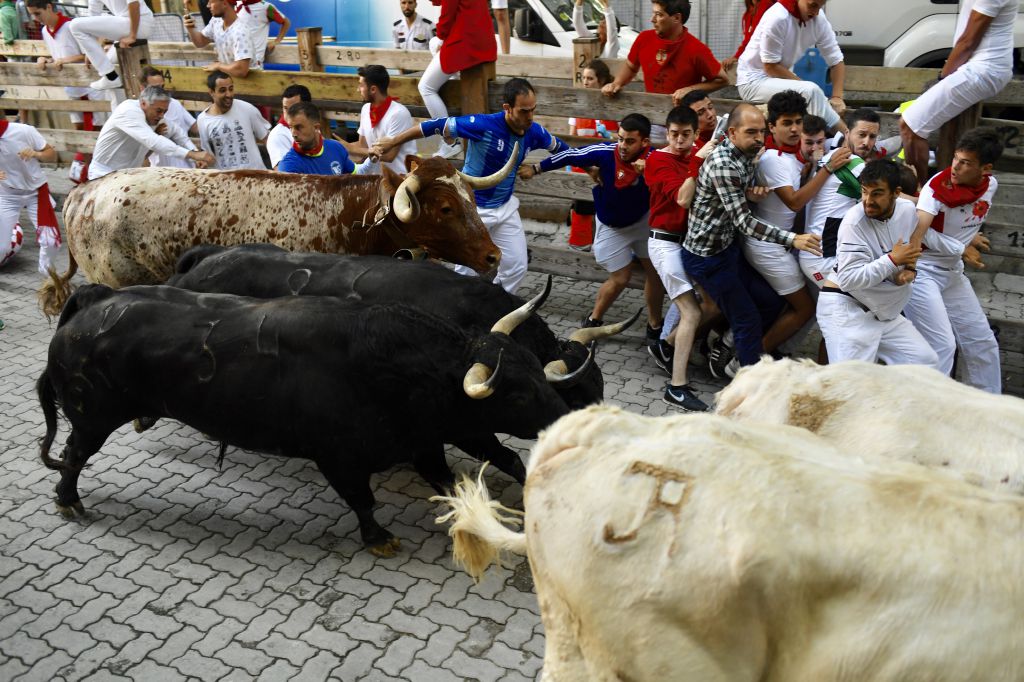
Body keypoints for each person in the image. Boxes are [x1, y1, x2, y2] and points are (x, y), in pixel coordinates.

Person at [375, 78, 568, 294]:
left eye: (533, 110)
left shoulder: (535, 132)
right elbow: (433, 126)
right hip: (472, 210)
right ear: (507, 108)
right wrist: (393, 141)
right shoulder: (483, 125)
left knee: (516, 268)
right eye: (524, 111)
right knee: (466, 272)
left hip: (506, 208)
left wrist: (538, 168)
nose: (530, 116)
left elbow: (563, 150)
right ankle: (462, 307)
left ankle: (495, 307)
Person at [681, 103, 822, 374]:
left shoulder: (748, 153)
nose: (759, 138)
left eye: (760, 132)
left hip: (728, 250)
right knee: (747, 319)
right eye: (751, 132)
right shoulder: (724, 164)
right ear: (733, 133)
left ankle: (725, 349)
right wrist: (793, 239)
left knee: (771, 301)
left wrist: (751, 192)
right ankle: (747, 381)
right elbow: (744, 222)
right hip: (707, 258)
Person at [521, 113, 666, 340]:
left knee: (655, 274)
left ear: (645, 142)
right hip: (611, 227)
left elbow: (678, 172)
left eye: (630, 141)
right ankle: (593, 320)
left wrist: (652, 169)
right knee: (621, 278)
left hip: (643, 223)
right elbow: (570, 155)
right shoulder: (605, 152)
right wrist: (537, 168)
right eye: (620, 139)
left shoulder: (657, 158)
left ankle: (655, 325)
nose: (623, 146)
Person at [818, 159, 964, 368]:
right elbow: (849, 280)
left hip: (884, 311)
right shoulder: (853, 222)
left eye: (877, 193)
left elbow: (918, 239)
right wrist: (892, 260)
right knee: (851, 380)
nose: (868, 200)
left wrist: (910, 269)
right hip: (847, 308)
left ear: (896, 193)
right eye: (864, 192)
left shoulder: (906, 210)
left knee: (925, 361)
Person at [744, 90, 851, 364]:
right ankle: (750, 363)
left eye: (797, 122)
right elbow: (794, 203)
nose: (794, 129)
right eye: (786, 123)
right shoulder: (772, 159)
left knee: (798, 301)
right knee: (805, 308)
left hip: (783, 243)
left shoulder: (793, 157)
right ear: (772, 127)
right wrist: (827, 169)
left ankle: (761, 352)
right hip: (766, 246)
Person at [904, 128, 1003, 393]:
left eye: (966, 162)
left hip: (952, 272)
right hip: (923, 271)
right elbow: (918, 233)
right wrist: (960, 247)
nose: (955, 167)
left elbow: (964, 221)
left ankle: (987, 405)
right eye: (956, 158)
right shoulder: (936, 188)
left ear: (986, 169)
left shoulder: (990, 185)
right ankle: (929, 408)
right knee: (942, 345)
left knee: (982, 341)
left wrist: (968, 240)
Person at [899, 0, 1018, 186]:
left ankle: (923, 191)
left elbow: (967, 42)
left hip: (983, 69)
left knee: (910, 127)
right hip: (980, 68)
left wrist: (943, 77)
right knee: (911, 126)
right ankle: (928, 191)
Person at [641, 106, 709, 412]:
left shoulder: (698, 152)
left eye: (686, 135)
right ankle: (676, 388)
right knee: (691, 312)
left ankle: (666, 345)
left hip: (692, 244)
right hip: (665, 244)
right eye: (674, 134)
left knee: (711, 303)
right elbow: (683, 198)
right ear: (667, 133)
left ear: (696, 133)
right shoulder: (658, 159)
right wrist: (698, 161)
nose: (679, 141)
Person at [736, 0, 848, 136]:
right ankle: (848, 139)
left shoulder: (819, 18)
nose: (816, 12)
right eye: (812, 5)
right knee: (811, 91)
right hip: (751, 82)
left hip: (776, 79)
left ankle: (833, 141)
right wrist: (809, 91)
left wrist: (837, 97)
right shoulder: (778, 17)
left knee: (812, 94)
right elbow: (770, 66)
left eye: (820, 6)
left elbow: (836, 60)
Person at [27, 0, 107, 183]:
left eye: (37, 13)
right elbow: (57, 57)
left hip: (90, 87)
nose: (36, 18)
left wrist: (66, 60)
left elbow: (89, 53)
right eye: (32, 15)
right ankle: (86, 178)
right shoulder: (45, 31)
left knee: (96, 131)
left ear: (49, 7)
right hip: (71, 88)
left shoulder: (72, 26)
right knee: (78, 132)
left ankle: (97, 175)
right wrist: (46, 59)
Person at [601, 0, 727, 113]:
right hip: (651, 113)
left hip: (683, 120)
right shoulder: (644, 39)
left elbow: (722, 80)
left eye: (659, 14)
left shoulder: (696, 48)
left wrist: (690, 89)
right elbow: (630, 66)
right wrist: (616, 83)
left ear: (676, 18)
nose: (652, 19)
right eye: (653, 13)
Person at [803, 108, 879, 288]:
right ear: (847, 133)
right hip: (823, 259)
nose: (866, 142)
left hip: (817, 255)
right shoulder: (850, 161)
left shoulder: (832, 155)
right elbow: (889, 196)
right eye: (862, 135)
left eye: (872, 137)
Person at [418, 0, 497, 159]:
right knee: (434, 43)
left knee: (425, 87)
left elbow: (446, 17)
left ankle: (450, 142)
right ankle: (453, 77)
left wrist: (441, 38)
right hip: (482, 42)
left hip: (465, 44)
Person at [89, 86, 213, 180]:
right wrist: (193, 155)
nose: (162, 116)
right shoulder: (127, 111)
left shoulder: (154, 116)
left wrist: (195, 153)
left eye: (165, 112)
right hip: (103, 173)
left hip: (128, 176)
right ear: (143, 103)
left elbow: (177, 132)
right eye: (158, 111)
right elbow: (153, 141)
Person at [567, 58, 618, 251]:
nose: (585, 82)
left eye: (590, 78)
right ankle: (581, 246)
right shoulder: (578, 106)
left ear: (601, 80)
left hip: (608, 167)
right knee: (582, 210)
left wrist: (609, 135)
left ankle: (608, 248)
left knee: (608, 210)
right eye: (584, 78)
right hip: (583, 167)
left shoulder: (614, 106)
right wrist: (569, 162)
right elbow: (571, 138)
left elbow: (622, 138)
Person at [0, 116, 59, 274]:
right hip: (6, 196)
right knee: (1, 248)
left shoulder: (23, 131)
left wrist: (36, 154)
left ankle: (48, 279)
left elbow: (52, 155)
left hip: (35, 193)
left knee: (50, 241)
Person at [340, 64, 416, 175]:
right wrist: (336, 146)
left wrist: (350, 148)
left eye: (361, 85)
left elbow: (389, 156)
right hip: (376, 178)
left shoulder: (399, 113)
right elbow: (363, 146)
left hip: (400, 178)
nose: (358, 89)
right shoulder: (366, 109)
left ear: (373, 89)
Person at [68, 0, 154, 91]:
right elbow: (93, 15)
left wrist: (132, 35)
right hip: (128, 24)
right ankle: (112, 80)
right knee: (109, 64)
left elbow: (134, 4)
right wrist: (90, 52)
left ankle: (110, 77)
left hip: (139, 23)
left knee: (75, 25)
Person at [196, 70, 270, 170]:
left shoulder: (247, 109)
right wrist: (203, 162)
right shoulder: (203, 120)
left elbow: (267, 138)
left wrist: (278, 165)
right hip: (226, 178)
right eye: (222, 90)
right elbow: (208, 154)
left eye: (231, 89)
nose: (229, 94)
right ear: (211, 92)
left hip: (255, 175)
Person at [139, 66, 198, 169]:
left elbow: (193, 128)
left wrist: (197, 156)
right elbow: (141, 156)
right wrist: (155, 134)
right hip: (163, 171)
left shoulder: (174, 103)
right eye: (156, 88)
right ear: (142, 88)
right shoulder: (138, 114)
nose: (161, 91)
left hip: (187, 168)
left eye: (162, 87)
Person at [277, 102, 356, 176]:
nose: (293, 134)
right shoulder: (288, 167)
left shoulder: (336, 147)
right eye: (290, 127)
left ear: (316, 127)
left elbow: (355, 175)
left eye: (298, 127)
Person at [185, 0, 259, 78]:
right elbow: (200, 42)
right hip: (231, 80)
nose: (208, 5)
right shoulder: (216, 21)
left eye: (211, 2)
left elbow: (241, 70)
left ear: (224, 3)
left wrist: (219, 66)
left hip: (251, 83)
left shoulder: (240, 31)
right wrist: (191, 28)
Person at [722, 0, 776, 71]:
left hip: (766, 59)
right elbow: (748, 38)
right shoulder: (748, 12)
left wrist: (737, 56)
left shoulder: (765, 4)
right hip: (759, 58)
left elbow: (752, 36)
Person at [267, 83, 310, 169]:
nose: (289, 113)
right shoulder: (278, 135)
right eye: (285, 108)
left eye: (294, 108)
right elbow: (283, 174)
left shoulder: (312, 128)